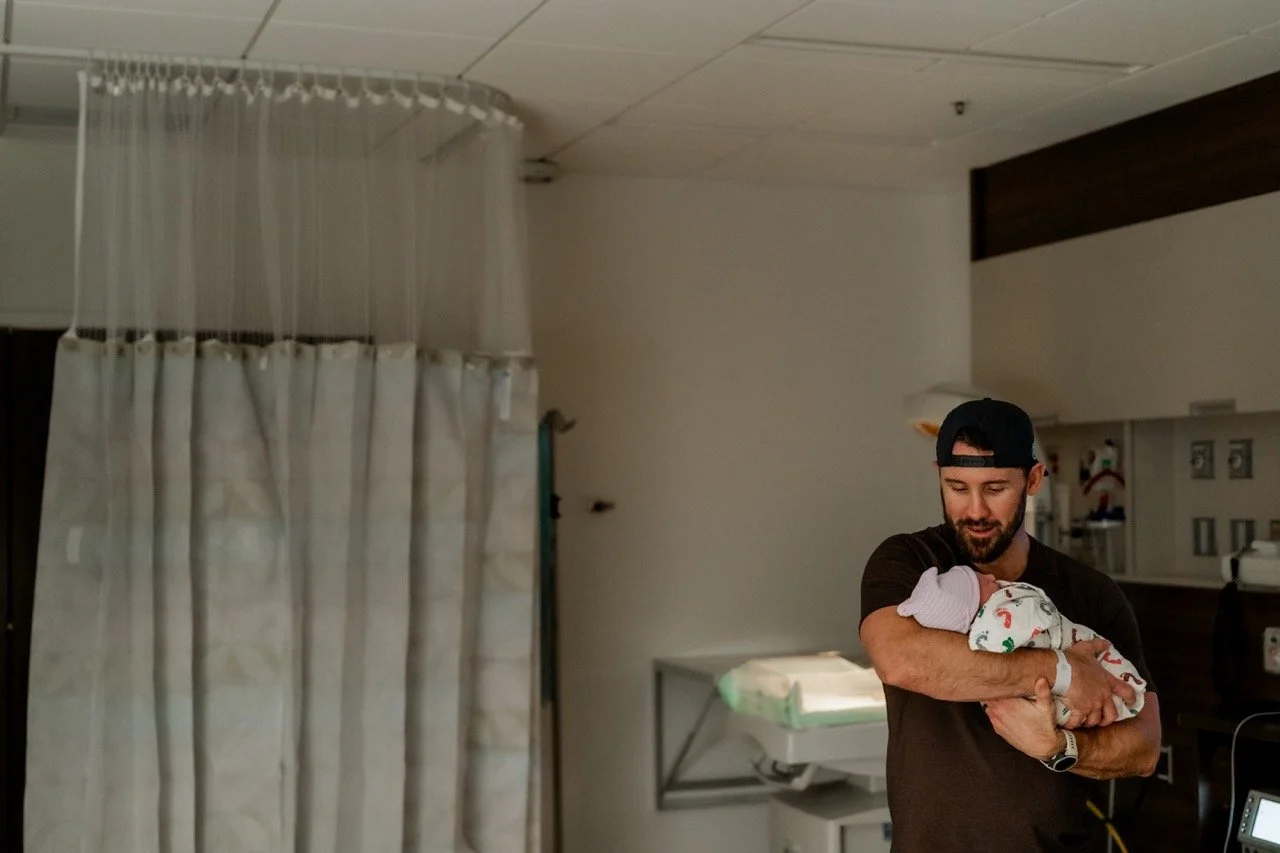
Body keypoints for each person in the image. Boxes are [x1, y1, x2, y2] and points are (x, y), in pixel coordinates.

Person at [859, 398, 1161, 853]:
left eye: (995, 488)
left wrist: (1060, 747)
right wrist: (1064, 672)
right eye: (957, 487)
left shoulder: (1091, 594)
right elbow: (899, 659)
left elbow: (1145, 747)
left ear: (1033, 479)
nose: (975, 510)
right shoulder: (909, 564)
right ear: (938, 474)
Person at [897, 564, 1148, 724]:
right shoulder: (993, 623)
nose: (990, 576)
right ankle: (1129, 695)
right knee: (1109, 681)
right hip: (1066, 654)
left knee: (1106, 682)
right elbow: (1038, 617)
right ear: (974, 606)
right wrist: (1068, 670)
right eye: (981, 581)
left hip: (1073, 654)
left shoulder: (1091, 585)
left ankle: (1128, 696)